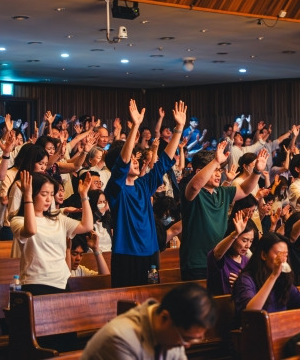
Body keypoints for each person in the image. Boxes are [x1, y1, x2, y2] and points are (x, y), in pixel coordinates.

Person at [104, 100, 187, 287]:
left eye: (136, 158)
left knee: (150, 297)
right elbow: (122, 163)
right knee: (127, 301)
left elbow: (165, 161)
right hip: (126, 254)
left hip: (150, 252)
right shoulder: (115, 188)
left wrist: (179, 128)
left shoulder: (143, 184)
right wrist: (135, 127)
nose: (135, 161)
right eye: (132, 158)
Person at [180, 141, 268, 280]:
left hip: (221, 258)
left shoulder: (222, 192)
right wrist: (215, 161)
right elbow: (195, 186)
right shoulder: (192, 192)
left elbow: (245, 189)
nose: (218, 174)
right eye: (214, 170)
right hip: (197, 263)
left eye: (219, 170)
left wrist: (257, 171)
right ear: (199, 172)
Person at [81, 283, 217, 360]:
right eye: (186, 339)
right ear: (165, 318)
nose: (186, 346)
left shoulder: (173, 332)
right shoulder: (119, 338)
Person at [11, 170, 94, 295]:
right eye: (44, 194)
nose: (49, 199)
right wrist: (27, 197)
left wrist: (84, 196)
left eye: (51, 194)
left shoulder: (58, 218)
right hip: (35, 282)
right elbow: (31, 230)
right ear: (33, 194)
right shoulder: (18, 220)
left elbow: (87, 226)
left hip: (61, 280)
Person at [232, 232, 300, 314]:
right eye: (279, 254)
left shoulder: (282, 280)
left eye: (285, 255)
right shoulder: (246, 279)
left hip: (279, 333)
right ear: (264, 255)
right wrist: (273, 276)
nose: (283, 259)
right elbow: (251, 314)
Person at [207, 209, 258, 295]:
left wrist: (243, 284)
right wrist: (235, 233)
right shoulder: (220, 258)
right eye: (244, 240)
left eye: (251, 241)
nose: (248, 245)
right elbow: (217, 253)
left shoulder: (247, 261)